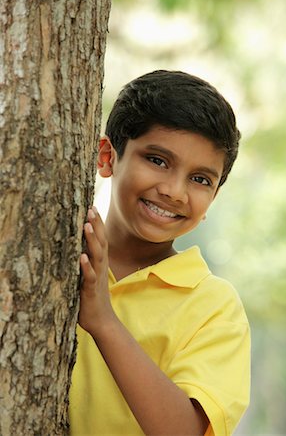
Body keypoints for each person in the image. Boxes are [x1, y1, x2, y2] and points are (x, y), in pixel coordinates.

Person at [69, 70, 250, 436]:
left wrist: (103, 320)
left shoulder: (214, 307)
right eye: (157, 160)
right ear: (107, 157)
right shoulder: (61, 252)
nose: (174, 191)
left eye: (200, 179)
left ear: (212, 198)